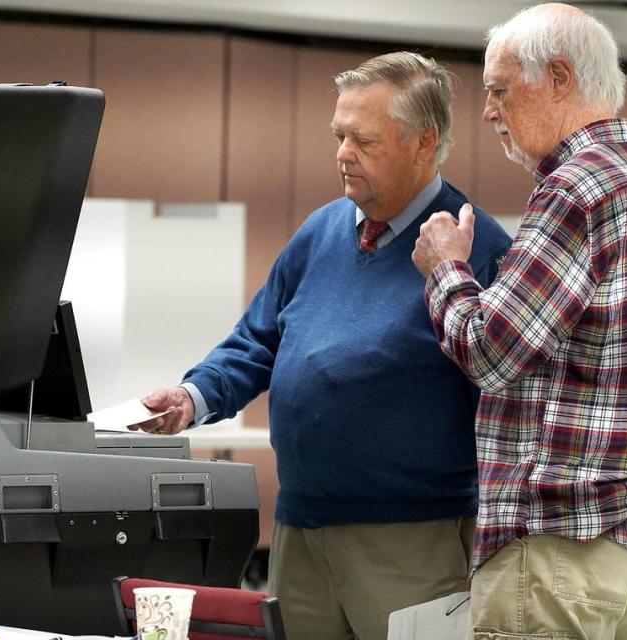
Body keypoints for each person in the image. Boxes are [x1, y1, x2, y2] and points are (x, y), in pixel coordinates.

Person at [133, 51, 513, 640]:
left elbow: (505, 388)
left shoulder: (471, 248)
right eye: (339, 135)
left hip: (413, 540)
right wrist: (193, 395)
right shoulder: (321, 230)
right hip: (301, 530)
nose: (342, 153)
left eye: (363, 139)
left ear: (423, 141)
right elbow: (258, 338)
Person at [411, 4, 627, 639]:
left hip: (555, 548)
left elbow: (490, 352)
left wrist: (446, 269)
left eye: (499, 90)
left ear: (557, 79)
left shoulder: (573, 191)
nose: (489, 111)